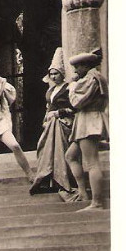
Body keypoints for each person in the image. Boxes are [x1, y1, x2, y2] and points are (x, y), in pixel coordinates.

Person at [29, 48, 77, 196]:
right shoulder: (49, 91)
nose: (54, 76)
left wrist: (59, 113)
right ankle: (48, 179)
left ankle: (63, 179)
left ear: (62, 74)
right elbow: (48, 108)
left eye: (56, 73)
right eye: (52, 74)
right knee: (45, 148)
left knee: (60, 150)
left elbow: (74, 107)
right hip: (50, 124)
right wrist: (46, 118)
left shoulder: (69, 87)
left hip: (64, 122)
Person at [66, 48, 109, 211]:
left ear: (85, 66)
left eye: (77, 67)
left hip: (89, 120)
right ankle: (84, 193)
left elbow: (76, 101)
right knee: (70, 155)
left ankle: (97, 203)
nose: (76, 71)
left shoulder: (91, 78)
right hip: (88, 119)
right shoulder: (95, 76)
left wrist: (72, 85)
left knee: (92, 163)